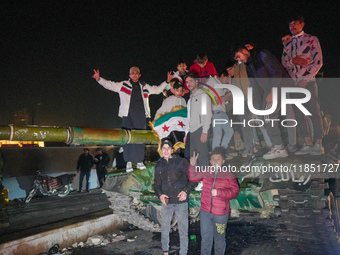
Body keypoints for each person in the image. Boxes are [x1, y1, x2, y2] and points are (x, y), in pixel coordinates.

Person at [92, 67, 169, 172]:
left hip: (141, 115)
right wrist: (99, 79)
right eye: (132, 73)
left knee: (140, 138)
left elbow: (157, 89)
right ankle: (128, 162)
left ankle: (140, 161)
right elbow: (110, 85)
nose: (134, 74)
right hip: (128, 115)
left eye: (136, 73)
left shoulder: (144, 86)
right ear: (129, 75)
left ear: (139, 75)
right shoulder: (124, 85)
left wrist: (167, 81)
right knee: (128, 138)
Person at [233, 43, 293, 160]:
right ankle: (277, 145)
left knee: (268, 116)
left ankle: (279, 147)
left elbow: (276, 72)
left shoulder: (262, 55)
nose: (239, 60)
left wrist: (272, 91)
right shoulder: (249, 64)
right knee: (263, 117)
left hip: (277, 88)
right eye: (237, 59)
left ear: (245, 51)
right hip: (266, 92)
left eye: (238, 56)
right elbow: (255, 85)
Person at [281, 15, 324, 155]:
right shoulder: (288, 45)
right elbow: (284, 63)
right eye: (290, 24)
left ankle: (318, 144)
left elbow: (318, 61)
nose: (292, 26)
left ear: (302, 24)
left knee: (314, 112)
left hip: (308, 82)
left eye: (295, 23)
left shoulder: (311, 40)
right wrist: (294, 60)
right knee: (298, 115)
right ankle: (307, 144)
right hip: (293, 84)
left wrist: (306, 78)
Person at [189, 147, 239, 255]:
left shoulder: (229, 175)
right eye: (213, 159)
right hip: (205, 212)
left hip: (220, 214)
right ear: (210, 162)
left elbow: (235, 192)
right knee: (206, 239)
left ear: (223, 161)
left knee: (219, 240)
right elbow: (193, 177)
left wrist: (219, 193)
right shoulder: (206, 172)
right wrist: (193, 165)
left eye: (218, 159)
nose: (216, 161)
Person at [153, 139, 196, 255]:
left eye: (168, 148)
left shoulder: (181, 162)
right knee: (165, 228)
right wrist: (160, 195)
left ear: (172, 150)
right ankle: (165, 251)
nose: (166, 150)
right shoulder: (159, 166)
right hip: (167, 202)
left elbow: (193, 178)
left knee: (183, 229)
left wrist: (186, 191)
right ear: (161, 151)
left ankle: (183, 252)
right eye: (164, 148)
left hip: (181, 201)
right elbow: (156, 184)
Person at [184, 72, 212, 167]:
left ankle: (205, 180)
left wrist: (205, 131)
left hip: (200, 130)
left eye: (191, 81)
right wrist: (186, 133)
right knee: (189, 157)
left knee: (202, 157)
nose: (189, 84)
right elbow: (188, 117)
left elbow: (207, 114)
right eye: (187, 82)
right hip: (191, 132)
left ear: (196, 82)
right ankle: (193, 180)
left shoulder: (203, 95)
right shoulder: (189, 100)